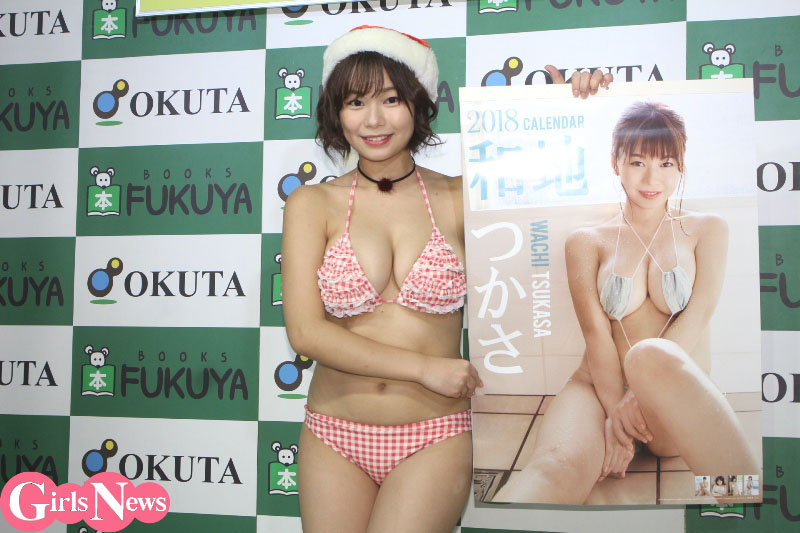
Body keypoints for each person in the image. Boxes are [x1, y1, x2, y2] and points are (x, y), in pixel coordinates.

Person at [281, 25, 613, 532]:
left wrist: (579, 109)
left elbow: (570, 197)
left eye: (391, 99)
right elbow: (306, 333)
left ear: (418, 102)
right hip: (332, 434)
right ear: (336, 112)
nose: (374, 119)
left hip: (433, 436)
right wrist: (424, 368)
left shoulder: (462, 197)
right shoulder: (311, 203)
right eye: (355, 102)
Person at [496, 101, 759, 505]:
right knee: (555, 468)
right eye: (638, 162)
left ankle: (749, 512)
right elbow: (596, 334)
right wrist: (616, 411)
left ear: (681, 165)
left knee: (654, 361)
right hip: (598, 387)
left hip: (669, 391)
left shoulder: (707, 229)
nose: (652, 178)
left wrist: (639, 397)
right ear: (615, 162)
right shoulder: (587, 241)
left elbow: (699, 313)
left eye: (666, 163)